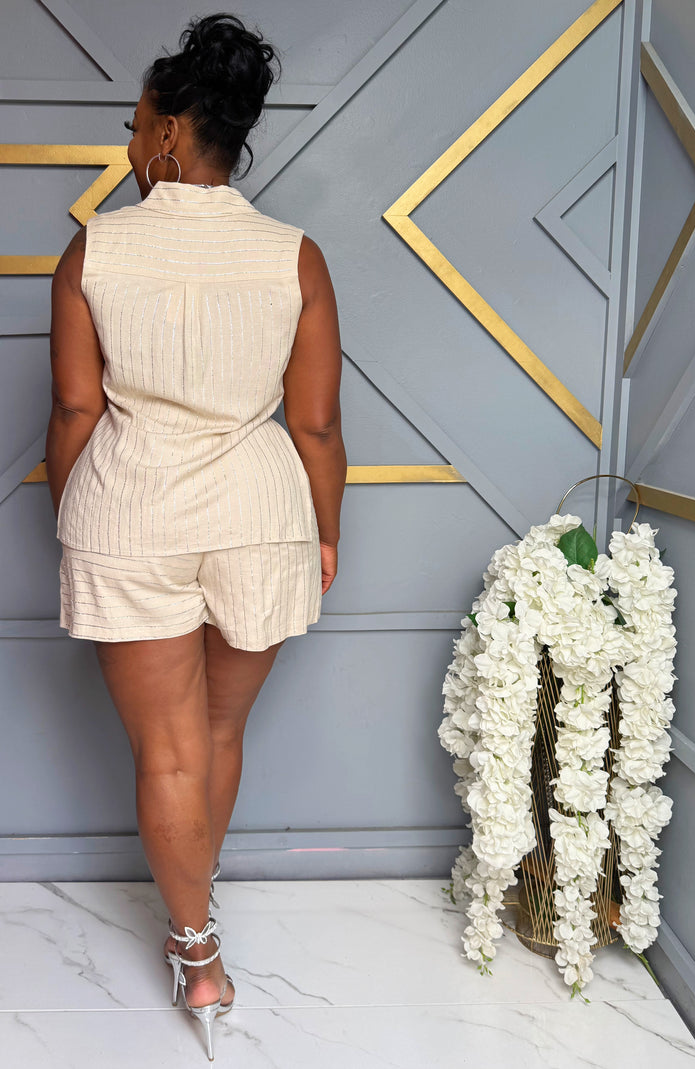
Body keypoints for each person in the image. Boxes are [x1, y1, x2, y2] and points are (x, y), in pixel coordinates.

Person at [45, 12, 347, 1060]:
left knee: (167, 750)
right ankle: (197, 907)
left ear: (171, 132)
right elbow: (315, 426)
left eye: (136, 126)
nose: (130, 144)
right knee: (217, 733)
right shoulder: (294, 257)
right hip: (259, 516)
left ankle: (197, 954)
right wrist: (325, 532)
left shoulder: (94, 248)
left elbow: (75, 411)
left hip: (134, 510)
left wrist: (72, 514)